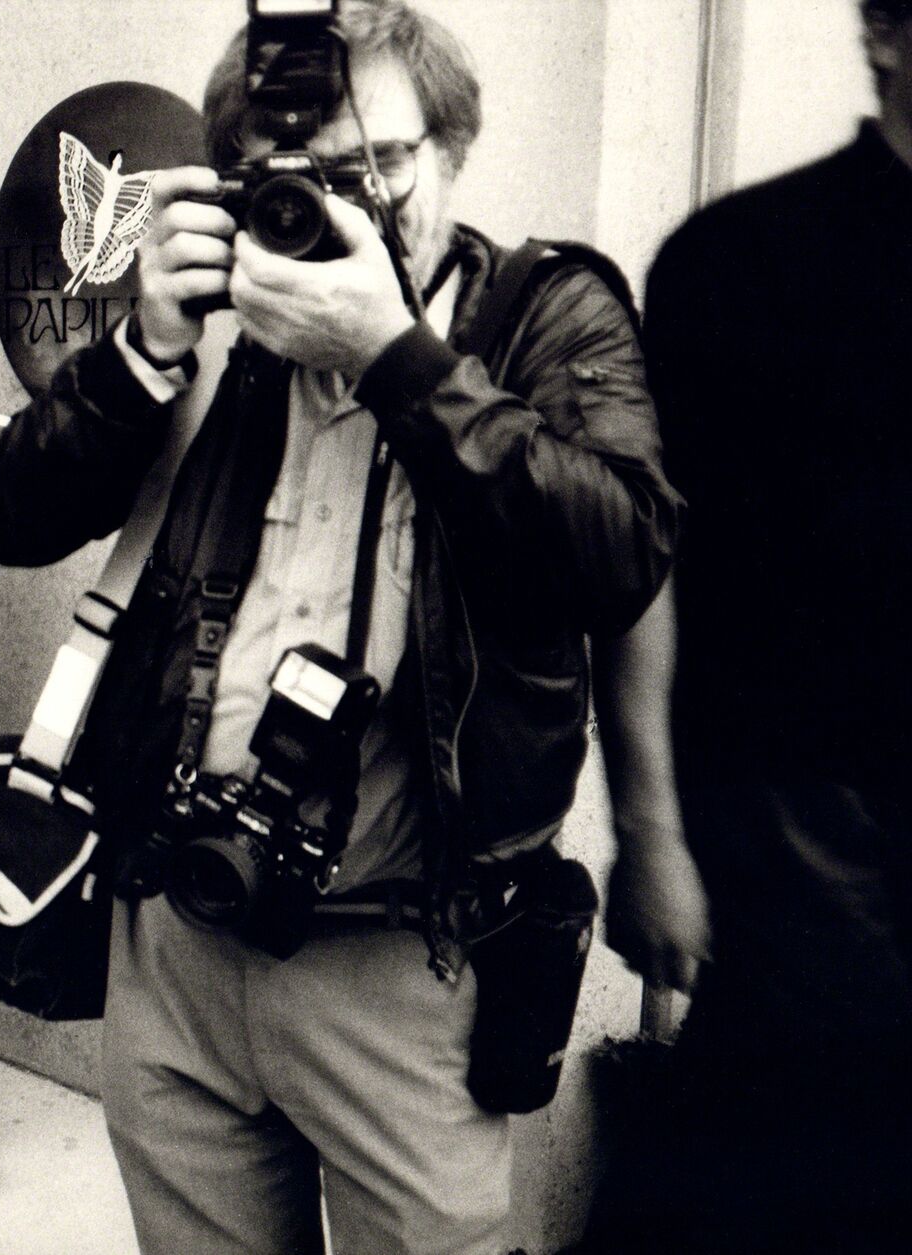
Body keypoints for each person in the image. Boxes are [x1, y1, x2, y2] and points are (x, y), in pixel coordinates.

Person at [0, 2, 682, 1250]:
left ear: (451, 153)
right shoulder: (214, 338)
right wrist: (141, 352)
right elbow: (8, 519)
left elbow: (621, 551)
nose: (350, 208)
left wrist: (399, 359)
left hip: (403, 966)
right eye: (302, 181)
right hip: (178, 942)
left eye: (385, 167)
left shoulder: (541, 315)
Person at [623, 3, 912, 1248]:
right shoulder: (736, 263)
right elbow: (647, 567)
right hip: (798, 846)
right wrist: (650, 832)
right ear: (885, 30)